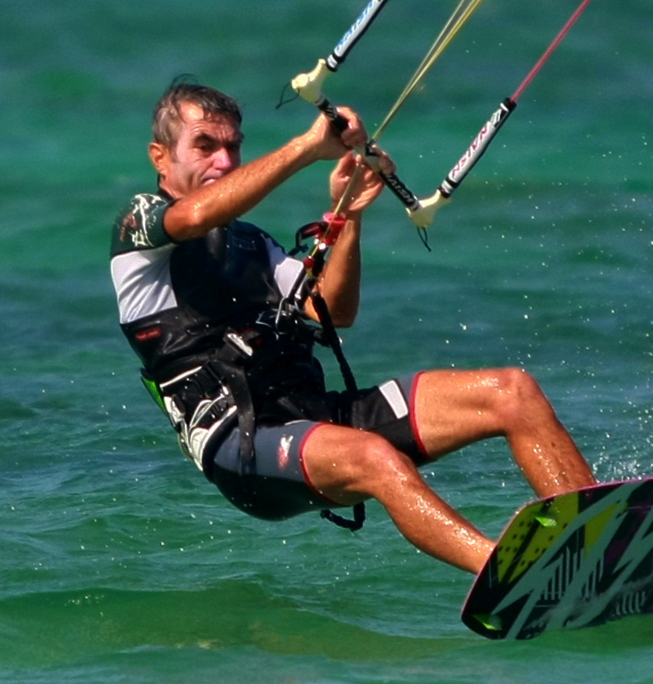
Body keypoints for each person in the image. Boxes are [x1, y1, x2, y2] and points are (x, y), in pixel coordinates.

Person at [109, 80, 596, 574]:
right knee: (376, 457)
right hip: (243, 444)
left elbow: (333, 312)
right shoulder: (139, 228)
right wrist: (307, 146)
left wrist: (348, 217)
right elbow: (193, 216)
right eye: (205, 146)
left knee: (511, 392)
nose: (224, 161)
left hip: (317, 416)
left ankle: (600, 542)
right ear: (160, 157)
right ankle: (515, 577)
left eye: (233, 146)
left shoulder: (252, 243)